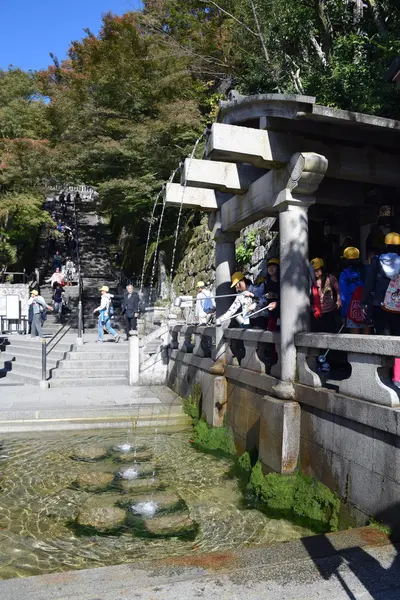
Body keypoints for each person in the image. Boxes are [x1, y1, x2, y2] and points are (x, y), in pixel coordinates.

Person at [361, 232, 400, 336]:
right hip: (398, 304)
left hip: (379, 304)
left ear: (386, 245)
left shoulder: (377, 260)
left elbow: (369, 283)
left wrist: (363, 302)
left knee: (381, 334)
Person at [339, 247, 372, 334]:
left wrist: (343, 315)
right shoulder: (367, 270)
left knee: (354, 340)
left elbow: (343, 296)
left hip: (351, 308)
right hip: (366, 305)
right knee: (367, 339)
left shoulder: (344, 274)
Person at [311, 258, 341, 333]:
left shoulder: (330, 278)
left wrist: (338, 301)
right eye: (314, 271)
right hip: (317, 312)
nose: (316, 273)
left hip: (329, 311)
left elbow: (338, 290)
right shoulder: (313, 281)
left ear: (322, 268)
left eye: (317, 270)